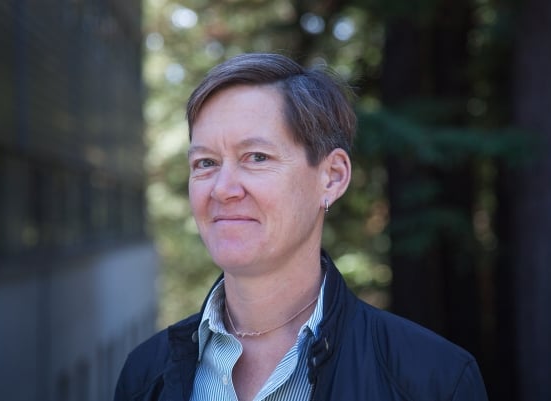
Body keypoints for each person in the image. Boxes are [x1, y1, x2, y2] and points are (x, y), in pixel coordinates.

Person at [114, 53, 488, 401]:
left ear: (332, 177)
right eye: (205, 163)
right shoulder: (145, 375)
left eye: (256, 157)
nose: (222, 189)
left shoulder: (434, 380)